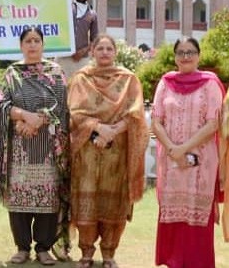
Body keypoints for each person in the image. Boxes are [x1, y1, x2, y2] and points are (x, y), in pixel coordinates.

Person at [66, 35, 149, 268]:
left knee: (114, 203)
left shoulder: (129, 79)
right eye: (100, 48)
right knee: (86, 199)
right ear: (92, 52)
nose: (104, 52)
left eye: (108, 48)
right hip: (87, 152)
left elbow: (136, 114)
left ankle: (109, 254)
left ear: (115, 52)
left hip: (118, 152)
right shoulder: (81, 79)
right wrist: (98, 129)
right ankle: (86, 253)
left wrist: (113, 131)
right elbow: (74, 113)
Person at [0, 27, 70, 266]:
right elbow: (0, 105)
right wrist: (24, 116)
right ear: (21, 45)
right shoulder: (12, 73)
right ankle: (22, 247)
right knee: (19, 198)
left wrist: (38, 121)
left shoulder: (55, 72)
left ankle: (43, 248)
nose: (33, 45)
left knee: (47, 198)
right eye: (28, 41)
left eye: (37, 41)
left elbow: (62, 106)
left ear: (43, 45)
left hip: (48, 148)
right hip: (19, 149)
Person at [151, 37, 224, 268]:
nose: (185, 56)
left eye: (190, 52)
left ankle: (197, 262)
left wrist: (182, 148)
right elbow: (156, 120)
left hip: (201, 161)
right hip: (171, 161)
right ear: (174, 57)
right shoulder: (166, 82)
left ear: (199, 55)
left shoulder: (210, 83)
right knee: (173, 211)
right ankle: (174, 261)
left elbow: (214, 123)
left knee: (195, 210)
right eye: (181, 52)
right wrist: (173, 149)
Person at [57, 0, 98, 76]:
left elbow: (95, 39)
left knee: (81, 86)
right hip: (64, 56)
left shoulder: (92, 14)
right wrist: (69, 49)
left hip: (82, 59)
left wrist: (83, 51)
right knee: (62, 86)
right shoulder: (67, 8)